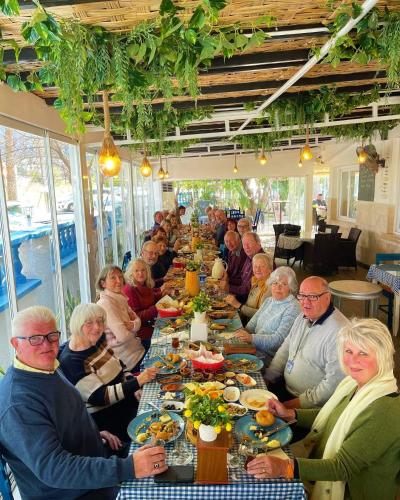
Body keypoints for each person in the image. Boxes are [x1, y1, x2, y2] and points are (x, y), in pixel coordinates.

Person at [0, 306, 167, 500]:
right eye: (34, 339)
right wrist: (129, 467)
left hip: (96, 456)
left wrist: (92, 432)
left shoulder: (47, 367)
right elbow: (55, 470)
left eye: (52, 336)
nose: (46, 345)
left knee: (168, 457)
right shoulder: (18, 403)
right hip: (75, 491)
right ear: (15, 344)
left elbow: (66, 413)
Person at [247, 318, 400, 500]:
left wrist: (284, 467)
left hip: (351, 491)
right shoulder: (356, 383)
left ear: (382, 356)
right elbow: (330, 414)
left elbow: (341, 467)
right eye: (349, 351)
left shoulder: (384, 410)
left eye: (364, 354)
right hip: (319, 461)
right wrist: (289, 413)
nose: (353, 360)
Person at [59, 303, 157, 440]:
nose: (97, 327)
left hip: (126, 401)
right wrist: (137, 382)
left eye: (100, 321)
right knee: (155, 431)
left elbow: (119, 365)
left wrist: (132, 384)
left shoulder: (98, 340)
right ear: (77, 324)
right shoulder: (72, 361)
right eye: (89, 323)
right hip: (109, 419)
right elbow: (100, 397)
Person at [264, 276, 348, 409]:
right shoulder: (303, 316)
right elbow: (285, 348)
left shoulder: (340, 332)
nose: (305, 302)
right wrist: (268, 378)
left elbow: (332, 385)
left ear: (327, 297)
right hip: (285, 389)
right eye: (302, 296)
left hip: (308, 408)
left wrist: (290, 406)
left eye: (313, 296)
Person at [234, 266, 301, 362]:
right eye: (275, 283)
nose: (278, 287)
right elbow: (252, 324)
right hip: (253, 348)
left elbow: (278, 341)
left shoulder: (293, 307)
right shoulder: (270, 300)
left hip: (268, 357)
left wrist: (251, 338)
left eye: (284, 284)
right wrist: (242, 333)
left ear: (291, 288)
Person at [96, 265, 145, 372]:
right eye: (113, 278)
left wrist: (132, 325)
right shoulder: (106, 304)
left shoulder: (120, 297)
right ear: (103, 283)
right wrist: (135, 328)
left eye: (120, 277)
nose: (118, 281)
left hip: (136, 348)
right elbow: (123, 336)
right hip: (129, 361)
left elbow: (138, 320)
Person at [122, 258, 169, 350]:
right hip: (141, 334)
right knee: (169, 340)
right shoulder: (130, 290)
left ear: (147, 271)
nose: (141, 273)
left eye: (143, 270)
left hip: (152, 323)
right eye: (137, 271)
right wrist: (157, 308)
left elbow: (150, 298)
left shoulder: (144, 284)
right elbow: (137, 316)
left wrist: (162, 294)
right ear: (131, 273)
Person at [225, 252, 273, 322]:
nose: (257, 269)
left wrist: (238, 305)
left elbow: (261, 314)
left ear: (270, 270)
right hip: (247, 321)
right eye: (255, 266)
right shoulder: (256, 281)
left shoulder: (269, 288)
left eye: (262, 266)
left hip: (255, 328)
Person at [228, 231, 264, 303]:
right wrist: (227, 281)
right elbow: (242, 280)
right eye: (244, 244)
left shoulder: (262, 261)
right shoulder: (249, 257)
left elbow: (248, 289)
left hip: (247, 302)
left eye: (249, 243)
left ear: (258, 242)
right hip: (241, 296)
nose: (246, 247)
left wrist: (228, 288)